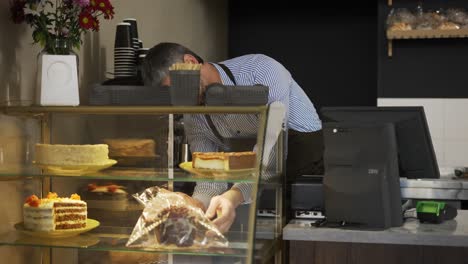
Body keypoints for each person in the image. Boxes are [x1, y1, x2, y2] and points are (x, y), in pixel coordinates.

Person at [142, 42, 323, 233]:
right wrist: (193, 207)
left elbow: (273, 152)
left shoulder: (261, 70)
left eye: (176, 89)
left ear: (190, 62)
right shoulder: (193, 113)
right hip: (250, 183)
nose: (178, 100)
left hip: (303, 170)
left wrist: (233, 196)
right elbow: (209, 178)